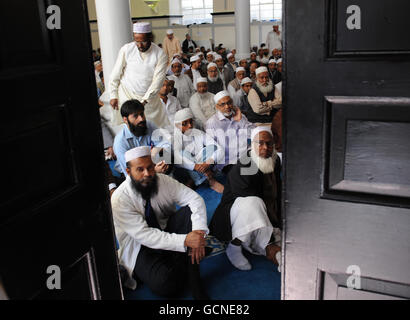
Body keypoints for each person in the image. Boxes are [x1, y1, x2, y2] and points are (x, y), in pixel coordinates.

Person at [111, 146, 210, 299]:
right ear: (129, 172)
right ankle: (185, 257)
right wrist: (185, 240)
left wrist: (198, 232)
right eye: (140, 170)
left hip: (166, 229)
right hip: (140, 247)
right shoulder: (119, 199)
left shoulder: (162, 180)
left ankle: (194, 278)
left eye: (150, 167)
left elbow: (195, 199)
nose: (147, 174)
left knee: (189, 213)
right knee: (165, 285)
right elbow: (145, 235)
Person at [209, 127, 282, 271]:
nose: (265, 148)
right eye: (260, 143)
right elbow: (247, 201)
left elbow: (276, 189)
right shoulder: (244, 165)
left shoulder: (275, 159)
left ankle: (275, 254)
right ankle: (234, 246)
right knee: (254, 204)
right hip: (237, 210)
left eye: (269, 143)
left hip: (263, 206)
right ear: (252, 145)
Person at [109, 22, 169, 128]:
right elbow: (115, 74)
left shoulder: (160, 54)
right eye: (137, 42)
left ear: (150, 37)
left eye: (144, 41)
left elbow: (157, 82)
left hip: (149, 100)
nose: (140, 45)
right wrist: (113, 95)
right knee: (128, 127)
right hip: (126, 94)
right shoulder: (126, 49)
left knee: (151, 129)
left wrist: (144, 102)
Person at [113, 99, 171, 176]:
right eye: (135, 116)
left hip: (153, 164)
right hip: (137, 173)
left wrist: (162, 154)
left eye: (142, 114)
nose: (141, 119)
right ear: (125, 120)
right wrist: (154, 172)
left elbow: (165, 144)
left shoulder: (149, 125)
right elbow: (131, 175)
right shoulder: (120, 142)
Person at [172, 109, 225, 193]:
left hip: (202, 165)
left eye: (191, 122)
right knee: (182, 154)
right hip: (188, 170)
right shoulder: (174, 138)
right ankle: (209, 179)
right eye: (184, 124)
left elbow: (219, 148)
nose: (189, 126)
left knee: (212, 147)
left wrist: (207, 163)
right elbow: (177, 160)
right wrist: (195, 166)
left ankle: (203, 178)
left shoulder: (198, 132)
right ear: (177, 125)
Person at [205, 91, 254, 173]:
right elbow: (212, 148)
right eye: (223, 104)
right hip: (228, 161)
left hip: (246, 154)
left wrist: (240, 120)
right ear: (217, 106)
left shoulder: (240, 116)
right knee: (246, 174)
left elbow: (253, 134)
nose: (227, 106)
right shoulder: (212, 123)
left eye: (229, 103)